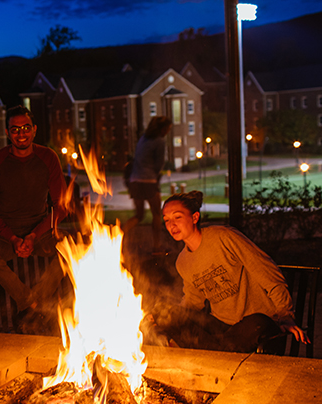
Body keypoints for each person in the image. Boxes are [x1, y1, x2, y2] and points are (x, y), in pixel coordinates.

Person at [153, 191, 308, 352]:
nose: (171, 225)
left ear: (194, 217)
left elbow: (268, 272)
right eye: (167, 220)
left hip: (256, 323)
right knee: (165, 313)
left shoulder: (224, 237)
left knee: (256, 324)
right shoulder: (182, 261)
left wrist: (286, 315)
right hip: (222, 326)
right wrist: (166, 316)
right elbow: (193, 300)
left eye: (177, 217)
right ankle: (220, 352)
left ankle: (212, 353)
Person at [0, 105, 67, 333]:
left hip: (40, 230)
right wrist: (13, 238)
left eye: (26, 128)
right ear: (8, 133)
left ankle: (36, 300)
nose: (21, 133)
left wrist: (35, 234)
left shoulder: (47, 157)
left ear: (34, 130)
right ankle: (30, 302)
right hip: (6, 234)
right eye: (15, 129)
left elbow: (61, 207)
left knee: (71, 249)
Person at [123, 116, 172, 251]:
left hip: (135, 181)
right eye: (168, 129)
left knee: (139, 215)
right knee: (156, 213)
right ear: (163, 129)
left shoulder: (143, 139)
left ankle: (117, 233)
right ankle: (157, 246)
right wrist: (157, 175)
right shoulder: (159, 141)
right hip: (149, 181)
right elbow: (159, 164)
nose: (168, 132)